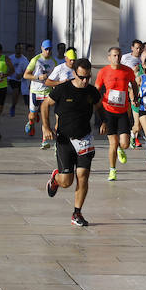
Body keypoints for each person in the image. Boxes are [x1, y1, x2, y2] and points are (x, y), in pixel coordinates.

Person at [42, 58, 103, 227]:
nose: (85, 81)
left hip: (85, 139)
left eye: (88, 77)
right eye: (82, 77)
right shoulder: (62, 89)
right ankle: (56, 179)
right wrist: (46, 127)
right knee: (66, 182)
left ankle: (77, 213)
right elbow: (45, 105)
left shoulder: (91, 91)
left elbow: (99, 106)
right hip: (64, 140)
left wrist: (104, 121)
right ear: (74, 73)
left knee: (83, 177)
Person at [95, 47, 139, 181]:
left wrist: (135, 96)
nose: (117, 58)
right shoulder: (103, 71)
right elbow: (97, 88)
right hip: (108, 111)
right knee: (113, 143)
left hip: (123, 111)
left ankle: (121, 149)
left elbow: (134, 84)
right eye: (114, 55)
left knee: (125, 143)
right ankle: (112, 170)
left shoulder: (127, 71)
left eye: (118, 55)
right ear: (109, 57)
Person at [23, 40, 58, 148]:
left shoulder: (53, 62)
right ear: (42, 48)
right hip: (35, 91)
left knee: (45, 117)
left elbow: (54, 77)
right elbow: (26, 75)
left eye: (50, 49)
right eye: (46, 49)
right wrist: (38, 77)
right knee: (33, 115)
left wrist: (54, 86)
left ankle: (44, 141)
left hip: (47, 92)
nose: (48, 51)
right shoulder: (36, 60)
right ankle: (31, 122)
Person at [121, 39, 144, 148]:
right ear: (132, 48)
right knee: (128, 115)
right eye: (137, 48)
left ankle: (134, 136)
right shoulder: (125, 57)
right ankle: (127, 135)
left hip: (137, 91)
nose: (138, 50)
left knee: (137, 119)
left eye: (140, 48)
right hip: (127, 89)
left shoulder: (143, 60)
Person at [7, 43, 29, 117]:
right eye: (18, 48)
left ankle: (14, 105)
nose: (19, 50)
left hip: (21, 80)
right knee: (15, 91)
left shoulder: (24, 59)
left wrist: (22, 75)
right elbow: (6, 68)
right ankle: (13, 107)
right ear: (15, 49)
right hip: (12, 79)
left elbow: (27, 71)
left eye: (21, 48)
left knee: (18, 95)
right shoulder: (10, 58)